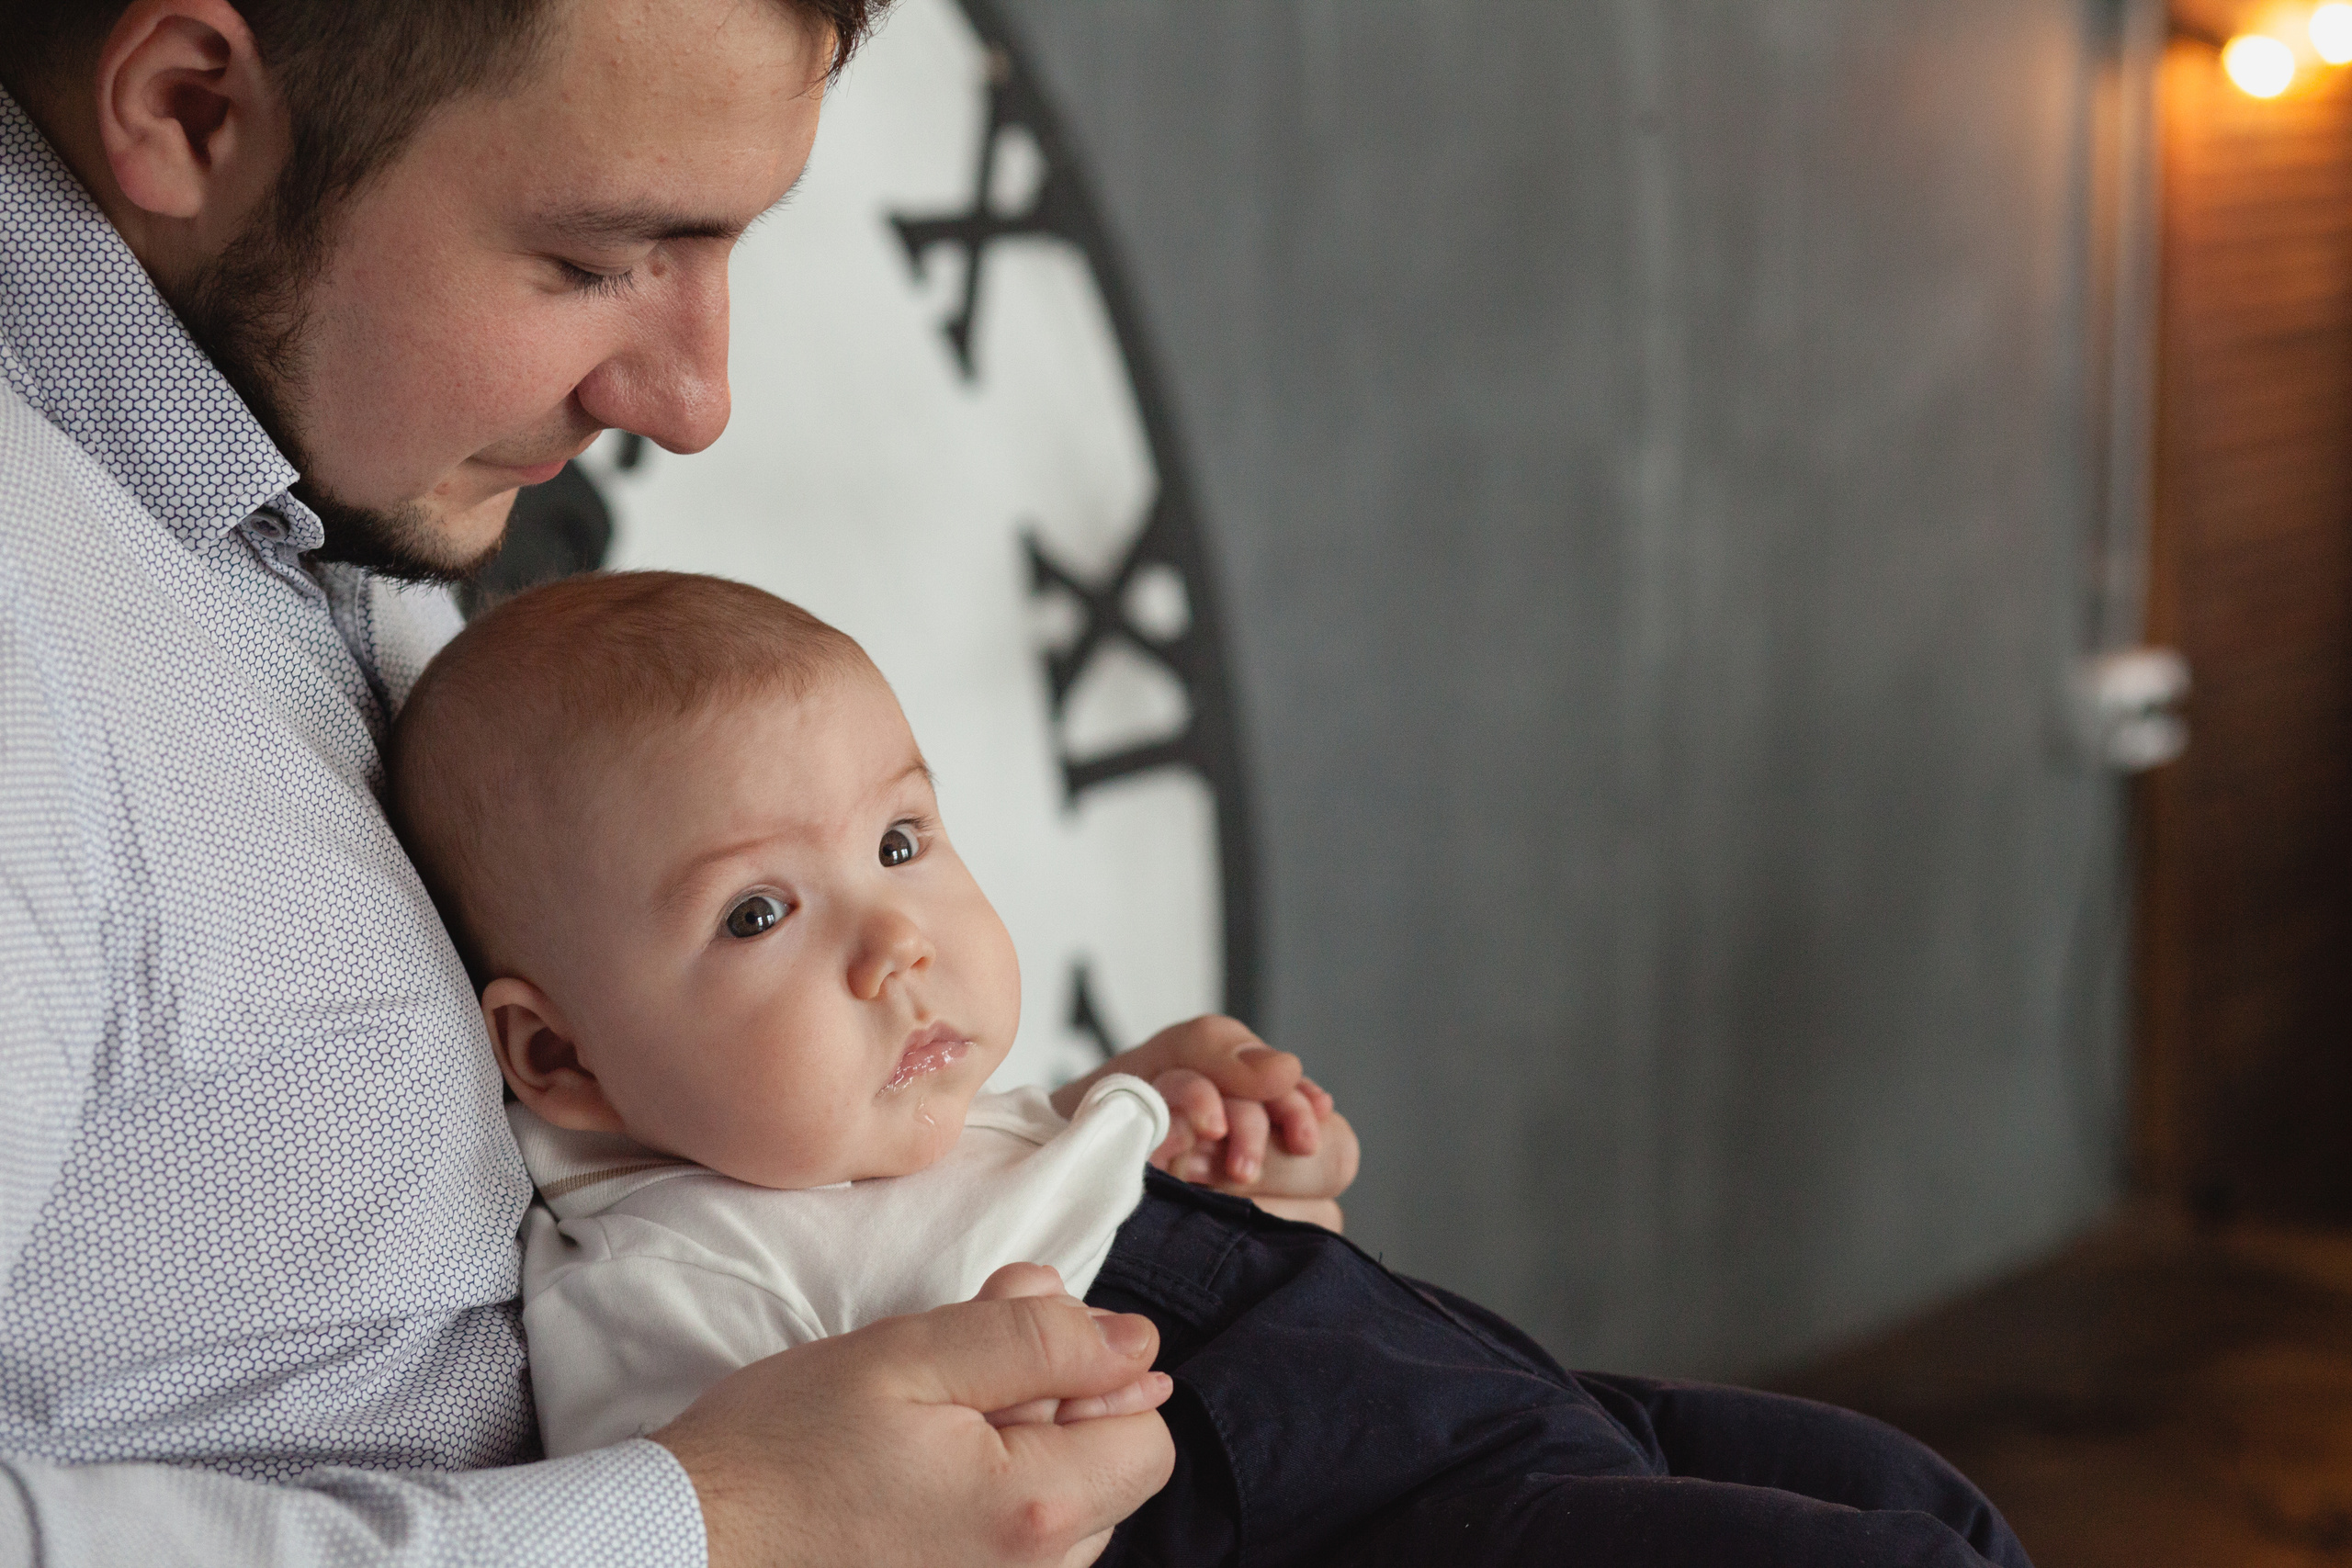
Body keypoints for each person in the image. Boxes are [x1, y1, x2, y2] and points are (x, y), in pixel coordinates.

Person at [0, 1, 1356, 1562]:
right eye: (590, 262)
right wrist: (728, 1523)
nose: (692, 402)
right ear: (185, 111)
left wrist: (1111, 1181)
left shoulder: (316, 490)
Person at [388, 570, 2036, 1568]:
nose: (897, 945)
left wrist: (1239, 1181)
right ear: (564, 1055)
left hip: (1498, 1408)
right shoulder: (678, 1263)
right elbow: (758, 1530)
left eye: (902, 838)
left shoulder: (961, 1129)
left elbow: (1272, 1294)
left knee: (1905, 1495)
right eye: (759, 910)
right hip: (1371, 1538)